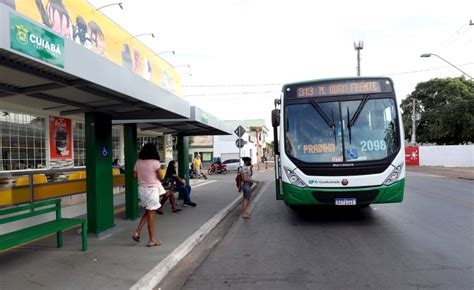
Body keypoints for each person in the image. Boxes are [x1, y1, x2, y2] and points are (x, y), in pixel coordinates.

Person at [131, 143, 164, 247]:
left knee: (148, 211)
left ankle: (137, 232)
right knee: (151, 215)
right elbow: (161, 177)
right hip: (152, 190)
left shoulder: (138, 162)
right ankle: (151, 240)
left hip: (141, 190)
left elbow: (134, 176)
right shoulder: (155, 162)